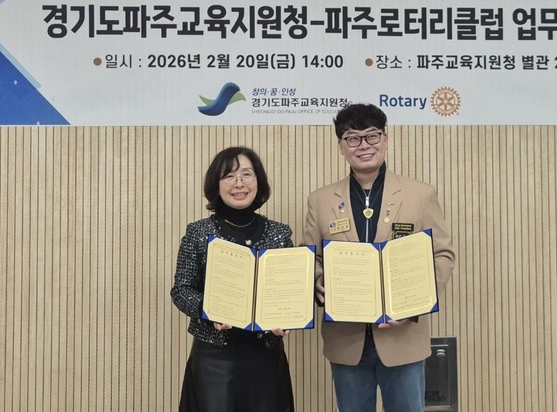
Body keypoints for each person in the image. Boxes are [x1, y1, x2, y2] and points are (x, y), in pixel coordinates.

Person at [299, 103, 456, 412]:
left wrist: (415, 304)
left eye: (372, 136)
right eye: (353, 138)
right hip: (346, 339)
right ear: (341, 147)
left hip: (403, 336)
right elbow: (310, 256)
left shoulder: (420, 194)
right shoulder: (320, 200)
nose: (364, 145)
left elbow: (442, 254)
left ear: (385, 139)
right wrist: (317, 280)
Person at [171, 146, 295, 412]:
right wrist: (209, 310)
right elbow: (181, 290)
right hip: (214, 359)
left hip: (266, 357)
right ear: (216, 185)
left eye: (247, 174)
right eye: (229, 176)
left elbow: (290, 290)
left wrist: (288, 318)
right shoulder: (198, 232)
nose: (239, 183)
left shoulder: (280, 234)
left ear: (258, 181)